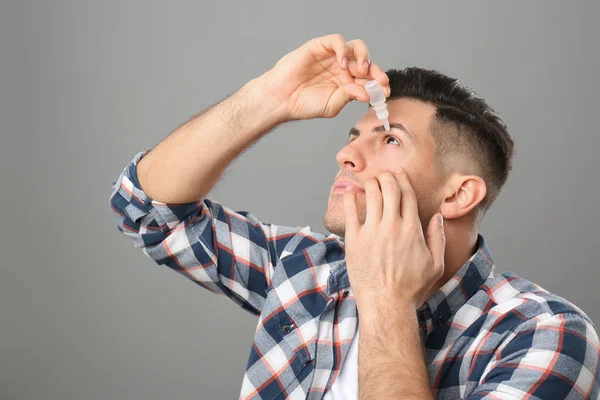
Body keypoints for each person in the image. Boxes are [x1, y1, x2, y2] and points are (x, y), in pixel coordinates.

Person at [109, 34, 599, 399]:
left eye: (389, 140)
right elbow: (148, 210)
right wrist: (267, 100)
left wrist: (386, 300)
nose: (346, 158)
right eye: (351, 139)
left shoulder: (545, 334)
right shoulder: (306, 270)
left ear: (459, 195)